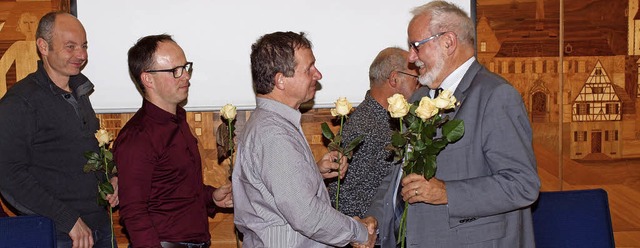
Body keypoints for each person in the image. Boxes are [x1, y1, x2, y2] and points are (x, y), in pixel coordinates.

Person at [366, 1, 541, 247]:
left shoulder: (495, 96)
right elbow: (399, 176)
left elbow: (523, 184)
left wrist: (447, 192)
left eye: (416, 46)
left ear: (448, 42)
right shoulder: (419, 98)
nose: (412, 58)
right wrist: (375, 218)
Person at [232, 31, 377, 248]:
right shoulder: (274, 134)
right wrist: (359, 232)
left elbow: (278, 192)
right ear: (280, 80)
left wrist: (313, 173)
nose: (317, 75)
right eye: (308, 68)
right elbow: (307, 215)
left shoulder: (271, 124)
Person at [0, 11, 118, 248]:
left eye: (84, 46)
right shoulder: (20, 102)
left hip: (100, 226)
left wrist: (111, 178)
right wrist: (67, 219)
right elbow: (9, 175)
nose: (81, 55)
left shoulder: (81, 92)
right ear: (43, 46)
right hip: (60, 235)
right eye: (70, 47)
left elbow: (84, 154)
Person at [113, 34, 233, 248]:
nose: (186, 76)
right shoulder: (138, 136)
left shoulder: (178, 120)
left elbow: (176, 189)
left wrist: (211, 197)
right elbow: (133, 211)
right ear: (148, 79)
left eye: (186, 67)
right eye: (175, 71)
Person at [327, 47, 419, 218]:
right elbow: (342, 200)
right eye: (416, 78)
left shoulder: (386, 120)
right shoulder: (364, 127)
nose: (420, 85)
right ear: (394, 79)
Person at [0, 12, 40, 97]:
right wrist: (3, 95)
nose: (29, 26)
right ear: (19, 26)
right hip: (23, 93)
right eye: (25, 23)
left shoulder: (44, 46)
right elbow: (1, 68)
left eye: (32, 22)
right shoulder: (18, 46)